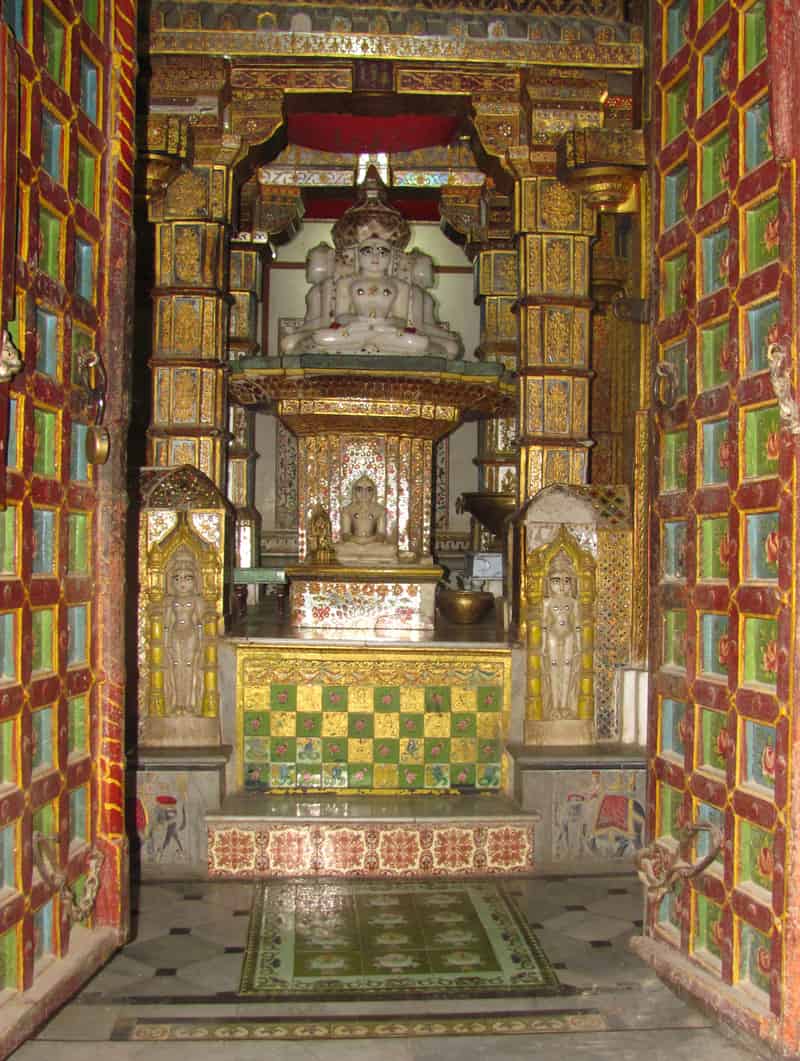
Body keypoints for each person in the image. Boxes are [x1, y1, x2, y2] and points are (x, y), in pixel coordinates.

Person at [163, 551, 205, 714]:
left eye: (187, 578)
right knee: (175, 667)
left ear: (194, 582)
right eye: (177, 578)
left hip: (191, 635)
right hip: (175, 635)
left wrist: (201, 643)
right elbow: (166, 625)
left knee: (190, 666)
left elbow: (201, 623)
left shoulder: (196, 600)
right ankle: (176, 703)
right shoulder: (170, 601)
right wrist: (166, 644)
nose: (182, 583)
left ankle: (190, 703)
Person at [541, 550, 581, 719]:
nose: (562, 586)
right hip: (552, 636)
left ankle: (565, 705)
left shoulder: (573, 602)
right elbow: (543, 624)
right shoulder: (547, 602)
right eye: (556, 581)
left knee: (567, 669)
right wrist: (542, 645)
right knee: (552, 669)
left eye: (567, 581)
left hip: (569, 636)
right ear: (549, 583)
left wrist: (579, 644)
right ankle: (554, 706)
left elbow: (577, 624)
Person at [341, 476, 386, 543]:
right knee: (337, 549)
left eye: (369, 490)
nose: (364, 493)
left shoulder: (380, 510)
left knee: (392, 549)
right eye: (359, 489)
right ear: (354, 492)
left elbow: (381, 535)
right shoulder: (347, 510)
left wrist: (369, 540)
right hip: (354, 544)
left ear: (374, 492)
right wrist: (357, 540)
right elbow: (345, 534)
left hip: (372, 545)